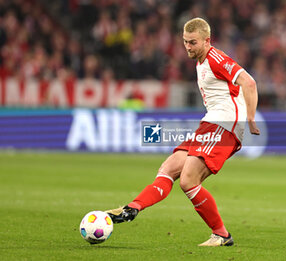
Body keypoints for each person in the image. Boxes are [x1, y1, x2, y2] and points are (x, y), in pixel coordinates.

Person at [106, 17, 260, 247]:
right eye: (185, 42)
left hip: (225, 124)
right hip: (211, 123)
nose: (188, 47)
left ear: (207, 40)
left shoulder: (216, 58)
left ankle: (222, 235)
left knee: (188, 180)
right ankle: (132, 208)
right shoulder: (201, 61)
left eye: (193, 42)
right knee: (168, 168)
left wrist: (250, 117)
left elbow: (249, 82)